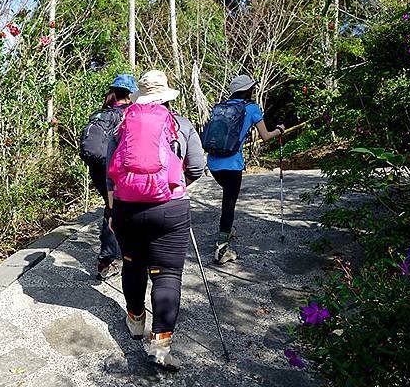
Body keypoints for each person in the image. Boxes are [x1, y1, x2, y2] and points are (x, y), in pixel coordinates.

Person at [106, 70, 205, 370]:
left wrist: (112, 212)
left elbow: (110, 176)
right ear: (165, 97)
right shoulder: (181, 125)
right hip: (171, 209)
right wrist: (177, 184)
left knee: (133, 264)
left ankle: (136, 321)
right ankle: (160, 347)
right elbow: (198, 167)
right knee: (167, 274)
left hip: (126, 210)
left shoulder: (122, 126)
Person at [206, 75, 285, 264]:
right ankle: (221, 249)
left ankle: (227, 230)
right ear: (249, 90)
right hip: (232, 165)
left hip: (213, 163)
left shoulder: (221, 107)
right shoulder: (251, 108)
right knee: (229, 204)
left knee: (227, 198)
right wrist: (279, 130)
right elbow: (265, 136)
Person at [80, 74, 138, 281]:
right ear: (130, 93)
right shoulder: (129, 113)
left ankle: (111, 256)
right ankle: (108, 259)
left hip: (97, 168)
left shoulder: (101, 114)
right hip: (115, 168)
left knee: (111, 207)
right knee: (115, 210)